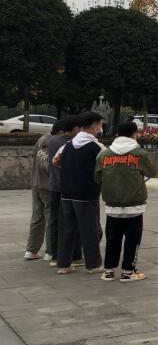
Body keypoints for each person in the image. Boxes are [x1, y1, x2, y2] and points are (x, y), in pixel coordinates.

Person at [95, 121, 158, 282]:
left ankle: (108, 271)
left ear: (117, 134)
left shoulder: (104, 154)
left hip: (112, 206)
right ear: (134, 134)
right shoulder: (139, 153)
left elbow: (97, 177)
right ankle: (128, 272)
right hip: (134, 207)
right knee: (133, 240)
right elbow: (153, 172)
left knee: (112, 239)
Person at [53, 111, 106, 274]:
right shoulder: (96, 147)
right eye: (100, 125)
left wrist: (72, 170)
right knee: (89, 230)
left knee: (66, 230)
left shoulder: (67, 145)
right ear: (94, 126)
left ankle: (63, 265)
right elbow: (107, 166)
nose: (101, 128)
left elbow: (55, 161)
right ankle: (94, 265)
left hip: (66, 193)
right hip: (86, 194)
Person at [48, 116, 83, 268]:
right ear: (75, 129)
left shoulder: (53, 140)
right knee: (70, 223)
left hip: (54, 186)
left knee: (56, 221)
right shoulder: (70, 144)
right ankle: (72, 255)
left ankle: (55, 255)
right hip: (66, 187)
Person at [24, 120, 58, 261]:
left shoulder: (41, 139)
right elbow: (47, 166)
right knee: (51, 220)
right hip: (48, 187)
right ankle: (50, 252)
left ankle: (31, 250)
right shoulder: (54, 142)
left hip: (36, 185)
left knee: (37, 218)